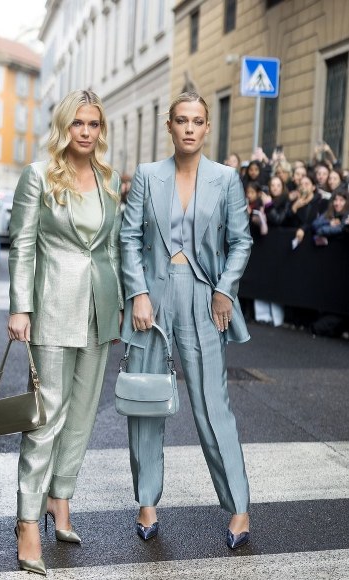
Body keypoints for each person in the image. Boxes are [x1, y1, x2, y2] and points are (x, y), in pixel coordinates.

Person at [120, 91, 252, 549]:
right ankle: (147, 503)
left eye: (197, 120)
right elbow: (128, 238)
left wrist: (224, 289)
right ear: (170, 126)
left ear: (207, 127)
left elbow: (241, 242)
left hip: (204, 298)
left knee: (213, 405)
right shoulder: (147, 175)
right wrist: (137, 293)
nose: (190, 128)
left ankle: (238, 507)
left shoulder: (226, 179)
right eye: (181, 120)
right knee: (145, 401)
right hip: (152, 299)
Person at [7, 90, 123, 575]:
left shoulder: (107, 178)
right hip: (52, 306)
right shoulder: (38, 175)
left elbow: (111, 248)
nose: (86, 132)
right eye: (78, 123)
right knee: (46, 417)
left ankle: (61, 499)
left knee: (82, 415)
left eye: (93, 124)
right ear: (64, 126)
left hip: (98, 309)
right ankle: (27, 520)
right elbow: (22, 243)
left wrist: (116, 306)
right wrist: (20, 307)